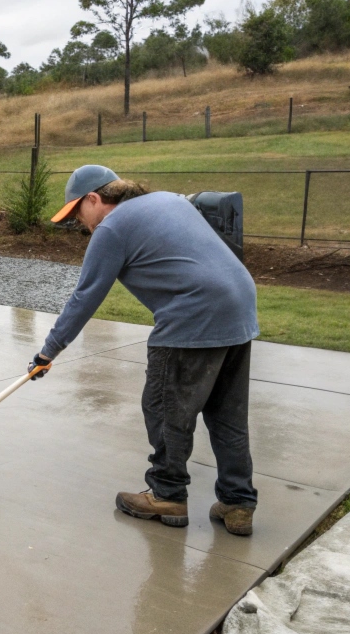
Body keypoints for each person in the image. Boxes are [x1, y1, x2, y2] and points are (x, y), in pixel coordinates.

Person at [27, 165, 260, 536]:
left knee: (165, 408)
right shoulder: (166, 200)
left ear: (94, 199)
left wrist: (47, 353)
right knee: (226, 415)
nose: (78, 224)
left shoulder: (111, 228)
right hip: (239, 306)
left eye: (76, 214)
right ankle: (237, 502)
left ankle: (167, 494)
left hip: (193, 313)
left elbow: (85, 298)